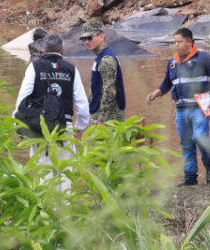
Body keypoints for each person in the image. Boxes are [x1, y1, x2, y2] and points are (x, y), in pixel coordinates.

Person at [14, 33, 90, 189]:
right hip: (65, 126)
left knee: (43, 170)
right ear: (63, 50)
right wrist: (80, 128)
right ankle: (65, 209)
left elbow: (22, 100)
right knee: (65, 171)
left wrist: (18, 123)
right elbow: (82, 106)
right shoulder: (71, 69)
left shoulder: (34, 67)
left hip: (40, 127)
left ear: (43, 50)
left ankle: (47, 208)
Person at [147, 28, 210, 187]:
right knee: (186, 143)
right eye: (174, 42)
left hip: (200, 107)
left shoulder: (204, 57)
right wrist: (157, 93)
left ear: (189, 41)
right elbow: (167, 83)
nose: (176, 45)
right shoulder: (173, 62)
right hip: (181, 109)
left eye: (179, 42)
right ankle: (190, 177)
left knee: (200, 137)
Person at [82, 21, 126, 124]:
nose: (86, 42)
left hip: (108, 119)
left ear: (101, 36)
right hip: (100, 114)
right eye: (84, 39)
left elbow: (109, 91)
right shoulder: (101, 57)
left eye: (89, 38)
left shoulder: (107, 59)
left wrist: (101, 120)